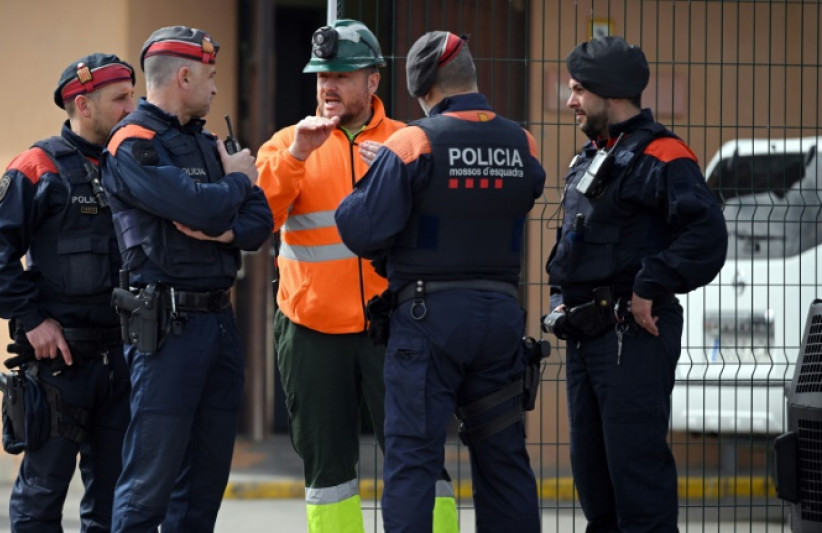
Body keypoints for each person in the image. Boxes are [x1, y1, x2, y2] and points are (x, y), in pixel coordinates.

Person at [335, 31, 545, 533]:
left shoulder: (412, 141)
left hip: (429, 322)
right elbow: (520, 194)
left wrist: (379, 175)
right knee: (504, 461)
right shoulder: (523, 141)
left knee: (413, 462)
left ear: (424, 87)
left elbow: (360, 228)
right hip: (499, 319)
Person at [256, 19, 458, 532]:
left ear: (373, 82)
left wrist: (398, 171)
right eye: (321, 74)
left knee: (418, 457)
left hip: (396, 326)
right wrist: (299, 155)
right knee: (327, 472)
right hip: (310, 330)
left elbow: (441, 227)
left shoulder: (410, 141)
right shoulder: (285, 143)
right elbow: (261, 219)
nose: (328, 84)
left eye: (342, 74)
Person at [544, 36, 727, 532]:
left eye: (579, 89)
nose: (570, 101)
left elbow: (706, 234)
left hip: (633, 335)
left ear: (611, 92)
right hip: (587, 338)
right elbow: (571, 247)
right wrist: (560, 299)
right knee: (595, 480)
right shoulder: (590, 157)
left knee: (635, 479)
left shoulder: (664, 156)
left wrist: (650, 283)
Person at [99, 25, 273, 532]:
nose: (216, 89)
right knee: (148, 487)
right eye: (210, 78)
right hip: (166, 331)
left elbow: (259, 222)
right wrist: (238, 179)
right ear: (183, 77)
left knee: (202, 489)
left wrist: (222, 230)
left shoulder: (208, 143)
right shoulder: (133, 144)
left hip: (218, 323)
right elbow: (197, 204)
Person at [0, 53, 136, 531]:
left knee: (113, 502)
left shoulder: (132, 162)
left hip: (124, 362)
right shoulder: (38, 165)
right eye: (121, 98)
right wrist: (31, 319)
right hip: (59, 367)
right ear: (84, 105)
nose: (134, 105)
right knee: (41, 499)